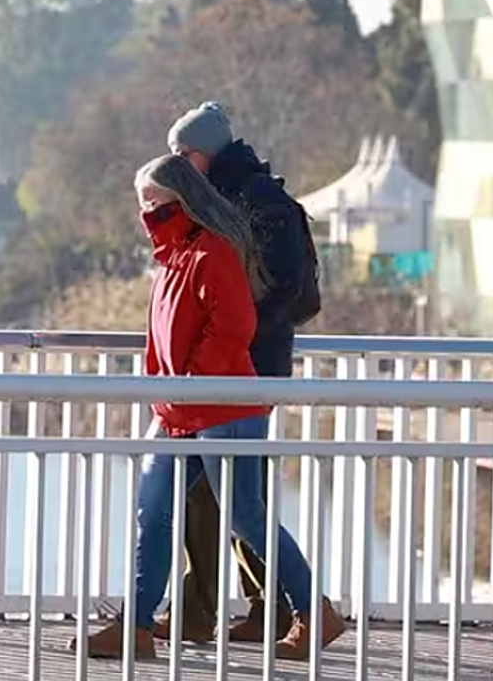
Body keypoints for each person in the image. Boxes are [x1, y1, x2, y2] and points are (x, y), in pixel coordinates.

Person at [71, 154, 340, 662]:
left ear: (182, 200)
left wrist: (194, 381)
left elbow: (235, 325)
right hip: (180, 409)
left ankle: (313, 612)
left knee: (245, 518)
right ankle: (137, 626)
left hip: (223, 406)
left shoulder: (212, 252)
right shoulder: (174, 257)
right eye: (142, 204)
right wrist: (170, 389)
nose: (145, 213)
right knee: (154, 512)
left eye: (153, 203)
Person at [156, 101, 327, 649]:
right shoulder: (232, 196)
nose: (177, 162)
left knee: (219, 497)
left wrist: (221, 332)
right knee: (224, 496)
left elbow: (281, 288)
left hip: (243, 371)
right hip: (230, 371)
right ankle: (260, 607)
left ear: (205, 152)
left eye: (183, 153)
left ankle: (225, 609)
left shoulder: (259, 202)